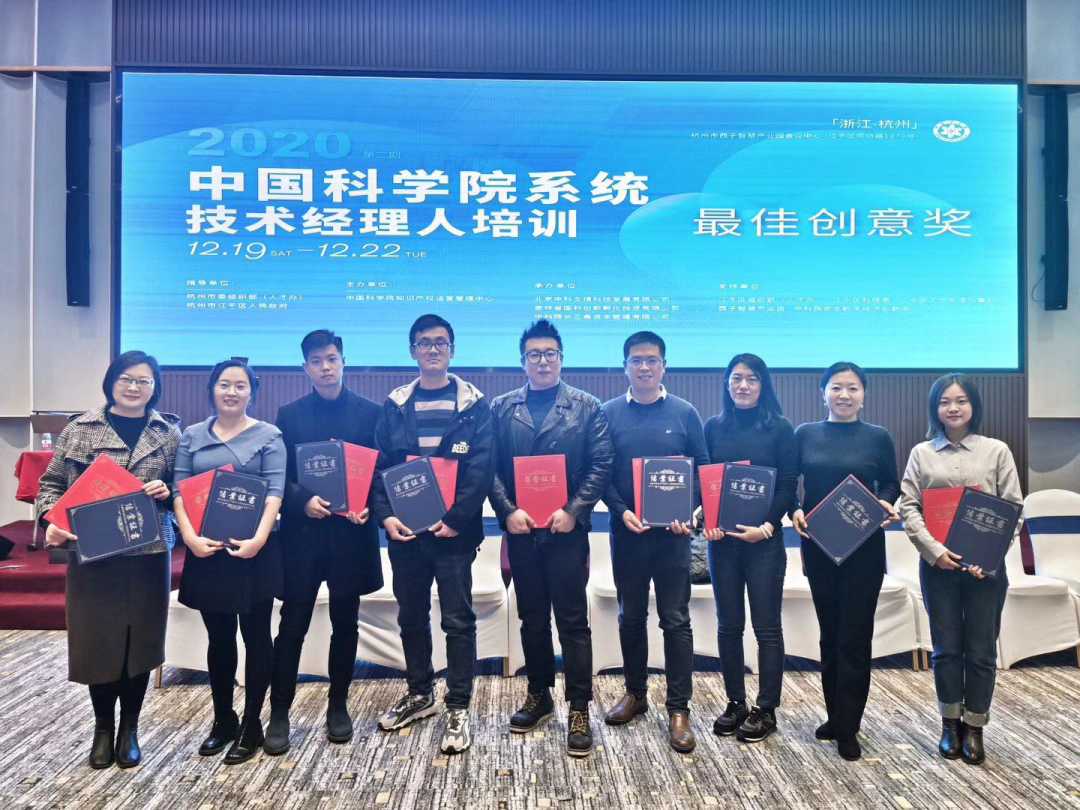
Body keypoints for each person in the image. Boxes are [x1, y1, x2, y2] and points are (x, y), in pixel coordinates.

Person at [36, 351, 181, 769]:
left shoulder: (168, 432)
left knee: (141, 641)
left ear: (155, 387)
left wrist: (166, 492)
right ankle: (103, 727)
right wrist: (50, 519)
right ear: (111, 381)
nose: (134, 387)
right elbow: (50, 485)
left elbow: (182, 490)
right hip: (92, 552)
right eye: (126, 378)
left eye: (144, 380)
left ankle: (129, 728)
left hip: (148, 552)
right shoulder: (80, 428)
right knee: (97, 640)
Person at [369, 314, 495, 755]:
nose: (433, 349)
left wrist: (456, 519)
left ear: (452, 350)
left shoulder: (475, 405)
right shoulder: (395, 405)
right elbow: (381, 466)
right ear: (413, 351)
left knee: (457, 620)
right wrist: (386, 517)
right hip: (406, 534)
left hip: (453, 535)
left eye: (441, 342)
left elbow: (481, 468)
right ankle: (420, 693)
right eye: (425, 342)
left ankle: (458, 705)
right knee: (411, 616)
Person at [489, 320, 613, 757]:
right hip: (522, 531)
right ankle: (538, 695)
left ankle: (579, 708)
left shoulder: (586, 406)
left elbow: (602, 463)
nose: (542, 361)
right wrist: (507, 510)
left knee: (573, 622)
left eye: (550, 353)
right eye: (534, 354)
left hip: (566, 533)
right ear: (522, 361)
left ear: (561, 358)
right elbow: (488, 467)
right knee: (532, 619)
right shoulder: (501, 408)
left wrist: (574, 510)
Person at [264, 330, 384, 755]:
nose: (325, 367)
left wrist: (368, 505)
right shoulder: (290, 414)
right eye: (316, 361)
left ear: (343, 361)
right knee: (292, 624)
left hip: (350, 535)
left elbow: (379, 472)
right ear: (305, 368)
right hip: (304, 536)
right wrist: (302, 500)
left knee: (345, 624)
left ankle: (338, 705)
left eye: (332, 358)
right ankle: (280, 712)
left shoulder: (371, 413)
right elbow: (280, 476)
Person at [898, 373, 1022, 766]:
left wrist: (987, 556)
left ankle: (975, 726)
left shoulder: (996, 451)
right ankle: (950, 724)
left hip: (985, 571)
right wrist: (935, 552)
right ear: (935, 408)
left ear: (973, 406)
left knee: (982, 651)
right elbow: (908, 508)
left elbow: (1013, 510)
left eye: (961, 400)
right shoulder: (922, 453)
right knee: (947, 650)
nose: (953, 408)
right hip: (938, 568)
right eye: (944, 401)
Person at [172, 359, 286, 765]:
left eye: (240, 385)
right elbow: (179, 490)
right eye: (224, 384)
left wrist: (259, 539)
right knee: (218, 639)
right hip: (207, 550)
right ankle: (223, 719)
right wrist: (189, 537)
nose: (231, 391)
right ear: (212, 389)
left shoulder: (269, 435)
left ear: (251, 392)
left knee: (256, 638)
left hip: (255, 550)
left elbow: (275, 492)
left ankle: (252, 723)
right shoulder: (191, 435)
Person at [601, 331, 709, 754]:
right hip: (627, 533)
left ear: (664, 365)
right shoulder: (608, 413)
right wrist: (619, 510)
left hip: (673, 537)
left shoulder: (685, 412)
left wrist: (692, 511)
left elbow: (701, 469)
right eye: (636, 360)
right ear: (625, 366)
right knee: (630, 617)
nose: (644, 366)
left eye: (651, 360)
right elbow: (601, 471)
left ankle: (679, 708)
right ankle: (635, 694)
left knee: (675, 619)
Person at [791, 362, 900, 762]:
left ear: (863, 395)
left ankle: (849, 725)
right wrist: (794, 509)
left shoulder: (877, 437)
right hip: (820, 545)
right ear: (823, 393)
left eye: (852, 388)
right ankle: (834, 715)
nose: (844, 395)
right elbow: (789, 481)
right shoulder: (806, 434)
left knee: (855, 634)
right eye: (836, 387)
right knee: (830, 632)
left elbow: (891, 482)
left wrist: (885, 501)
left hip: (864, 547)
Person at [702, 353, 797, 742]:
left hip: (764, 544)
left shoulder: (780, 428)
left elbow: (788, 485)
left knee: (767, 627)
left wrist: (768, 526)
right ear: (727, 383)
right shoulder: (713, 427)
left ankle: (767, 708)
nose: (743, 385)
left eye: (752, 379)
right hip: (722, 545)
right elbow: (706, 482)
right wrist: (707, 519)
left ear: (763, 385)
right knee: (728, 626)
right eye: (736, 378)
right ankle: (736, 702)